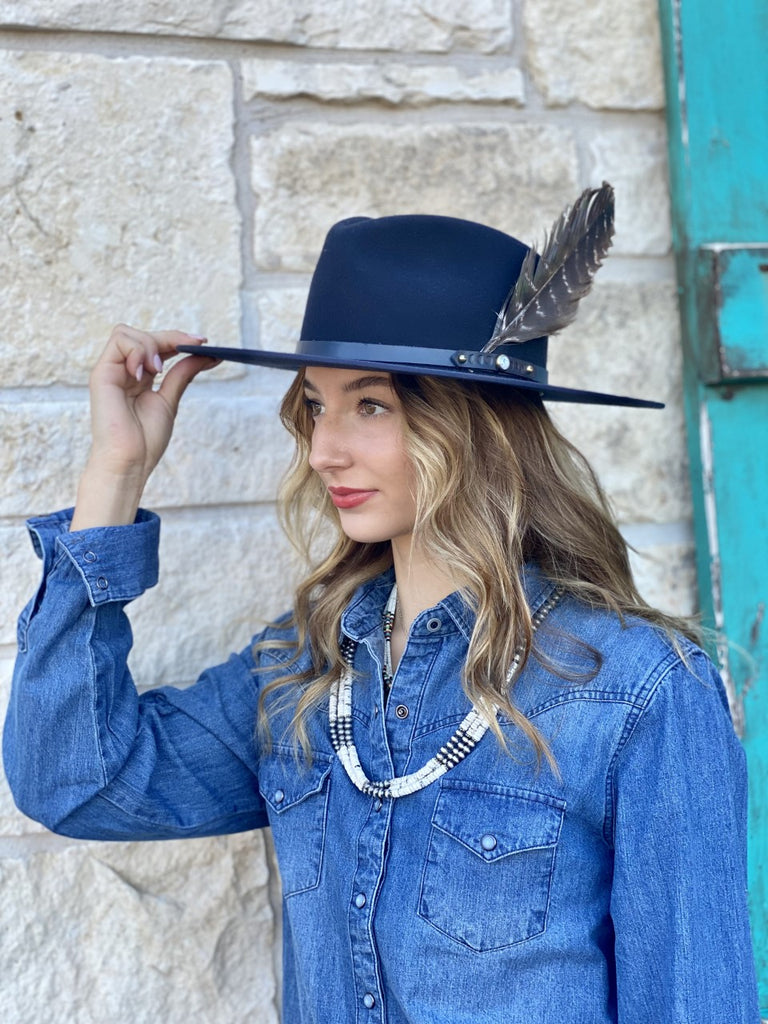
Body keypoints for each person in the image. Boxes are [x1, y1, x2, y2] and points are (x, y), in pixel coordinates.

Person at [3, 185, 760, 1023]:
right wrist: (115, 474)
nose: (324, 450)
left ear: (473, 426)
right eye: (316, 405)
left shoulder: (637, 692)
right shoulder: (305, 670)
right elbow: (76, 781)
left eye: (371, 406)